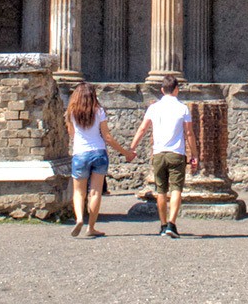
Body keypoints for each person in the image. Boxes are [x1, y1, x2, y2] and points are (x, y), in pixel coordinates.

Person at [129, 75, 199, 238]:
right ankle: (171, 224)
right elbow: (189, 133)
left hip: (159, 153)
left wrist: (131, 148)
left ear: (162, 90)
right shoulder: (183, 108)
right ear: (176, 89)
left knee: (161, 191)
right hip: (176, 153)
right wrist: (194, 154)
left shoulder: (154, 108)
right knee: (176, 189)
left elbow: (142, 129)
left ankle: (162, 225)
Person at [65, 82, 134, 238]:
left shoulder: (71, 112)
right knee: (95, 192)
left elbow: (72, 134)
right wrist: (125, 152)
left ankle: (80, 218)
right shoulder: (99, 111)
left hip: (80, 153)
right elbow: (107, 137)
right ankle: (91, 227)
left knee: (78, 192)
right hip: (99, 152)